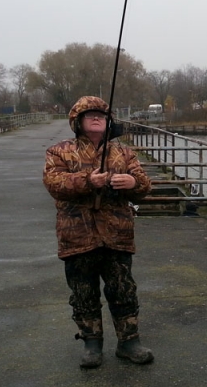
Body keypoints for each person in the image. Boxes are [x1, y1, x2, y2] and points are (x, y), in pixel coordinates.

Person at [43, 96, 153, 368]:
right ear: (77, 121)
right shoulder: (59, 151)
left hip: (117, 235)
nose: (96, 118)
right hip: (77, 235)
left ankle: (129, 342)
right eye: (90, 114)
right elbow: (54, 183)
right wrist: (87, 180)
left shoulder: (125, 153)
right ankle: (92, 345)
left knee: (123, 290)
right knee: (83, 293)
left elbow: (144, 187)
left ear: (108, 122)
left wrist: (131, 183)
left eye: (101, 115)